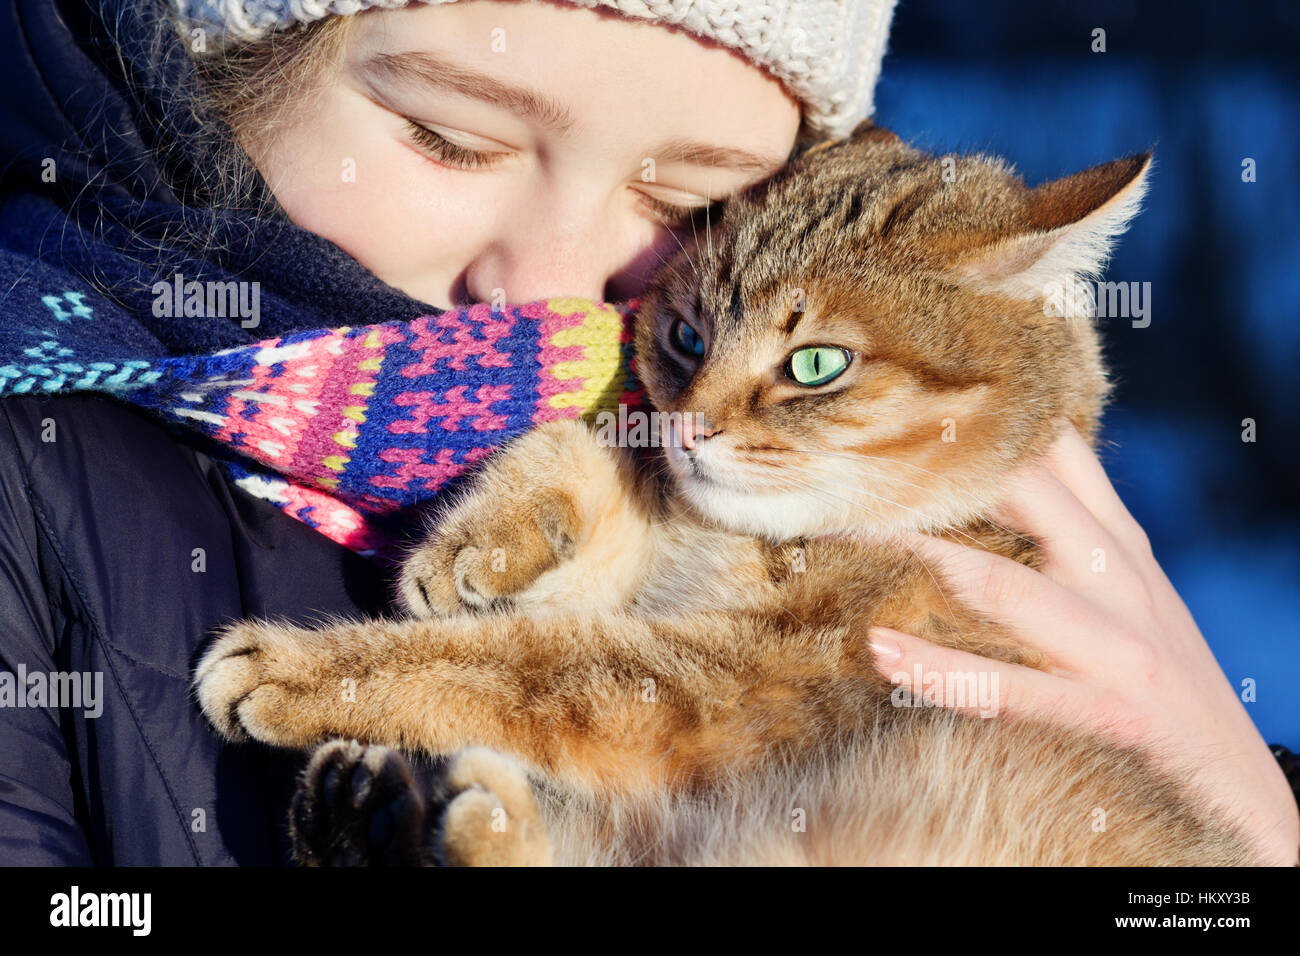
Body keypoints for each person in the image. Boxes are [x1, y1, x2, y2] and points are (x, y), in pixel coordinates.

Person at [0, 0, 1292, 866]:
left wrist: (1245, 829)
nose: (553, 277)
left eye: (691, 197)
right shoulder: (35, 497)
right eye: (452, 138)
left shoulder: (728, 451)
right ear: (188, 77)